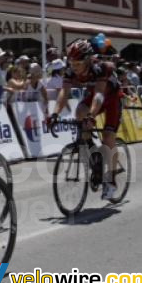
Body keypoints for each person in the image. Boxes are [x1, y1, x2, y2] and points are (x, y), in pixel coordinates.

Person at [49, 38, 123, 201]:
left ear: (88, 60)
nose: (74, 68)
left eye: (78, 64)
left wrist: (91, 116)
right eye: (72, 63)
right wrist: (54, 114)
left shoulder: (101, 68)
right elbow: (64, 93)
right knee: (79, 112)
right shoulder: (70, 70)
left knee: (108, 137)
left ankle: (110, 181)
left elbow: (99, 94)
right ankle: (93, 153)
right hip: (95, 97)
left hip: (111, 98)